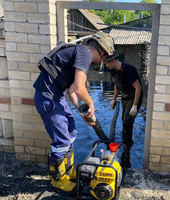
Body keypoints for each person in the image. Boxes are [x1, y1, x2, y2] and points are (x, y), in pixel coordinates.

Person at [33, 32, 115, 192]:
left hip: (56, 97)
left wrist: (82, 112)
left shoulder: (78, 53)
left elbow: (71, 90)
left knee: (71, 132)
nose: (100, 62)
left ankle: (68, 172)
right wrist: (90, 103)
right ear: (102, 52)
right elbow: (79, 88)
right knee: (61, 141)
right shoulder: (84, 53)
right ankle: (58, 180)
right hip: (49, 98)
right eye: (103, 59)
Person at [104, 50, 143, 168]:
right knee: (124, 119)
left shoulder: (128, 70)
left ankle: (127, 145)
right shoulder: (113, 71)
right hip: (125, 96)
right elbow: (117, 84)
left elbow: (138, 88)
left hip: (134, 96)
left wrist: (135, 106)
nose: (106, 65)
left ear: (113, 60)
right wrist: (114, 99)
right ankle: (126, 139)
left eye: (107, 63)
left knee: (127, 120)